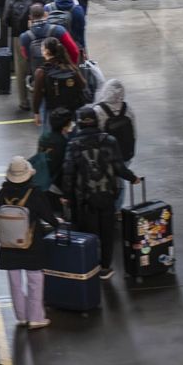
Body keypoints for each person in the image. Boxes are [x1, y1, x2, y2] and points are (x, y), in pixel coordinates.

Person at [0, 155, 65, 330]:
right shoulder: (34, 193)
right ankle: (36, 317)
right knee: (35, 279)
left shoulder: (3, 192)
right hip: (31, 243)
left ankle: (21, 316)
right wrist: (58, 224)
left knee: (15, 282)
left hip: (9, 245)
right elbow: (47, 215)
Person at [62, 105, 127, 280]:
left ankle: (90, 266)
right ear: (97, 121)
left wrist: (67, 196)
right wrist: (133, 178)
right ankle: (105, 267)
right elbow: (119, 167)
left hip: (85, 198)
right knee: (107, 232)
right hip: (107, 195)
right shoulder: (109, 140)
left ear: (79, 124)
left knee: (89, 234)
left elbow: (68, 173)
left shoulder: (73, 145)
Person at [33, 35, 87, 132]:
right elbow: (83, 85)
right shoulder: (71, 67)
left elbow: (37, 95)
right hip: (71, 111)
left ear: (46, 51)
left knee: (52, 138)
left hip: (52, 111)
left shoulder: (41, 72)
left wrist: (36, 112)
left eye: (42, 47)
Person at [96, 78, 136, 202]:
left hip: (105, 157)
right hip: (124, 153)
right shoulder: (127, 108)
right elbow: (134, 132)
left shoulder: (98, 111)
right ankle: (118, 209)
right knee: (120, 183)